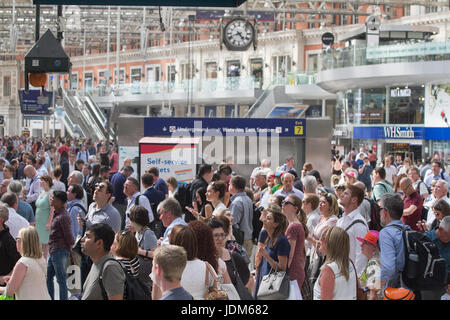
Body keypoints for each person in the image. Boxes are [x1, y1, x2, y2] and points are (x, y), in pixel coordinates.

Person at [0, 226, 51, 300]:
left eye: (17, 239)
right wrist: (14, 279)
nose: (16, 241)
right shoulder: (40, 259)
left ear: (23, 242)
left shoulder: (22, 263)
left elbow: (9, 292)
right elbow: (30, 281)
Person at [207, 218, 254, 298]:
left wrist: (237, 294)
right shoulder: (204, 260)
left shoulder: (235, 257)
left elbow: (249, 279)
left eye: (222, 235)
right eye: (216, 235)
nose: (220, 239)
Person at [80, 223, 125, 300]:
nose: (82, 239)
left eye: (87, 237)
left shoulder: (110, 267)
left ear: (99, 243)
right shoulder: (96, 263)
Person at [254, 204, 290, 299]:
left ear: (276, 224)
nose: (265, 220)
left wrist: (266, 256)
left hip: (273, 287)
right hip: (264, 280)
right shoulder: (269, 238)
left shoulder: (282, 241)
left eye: (269, 219)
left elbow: (282, 268)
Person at [313, 226, 359, 300]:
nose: (320, 240)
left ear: (332, 243)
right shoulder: (350, 263)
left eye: (324, 238)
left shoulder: (328, 270)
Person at [47, 190, 74, 300]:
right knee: (49, 277)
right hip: (54, 250)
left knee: (61, 279)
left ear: (59, 201)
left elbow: (69, 236)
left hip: (60, 251)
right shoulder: (57, 214)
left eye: (53, 198)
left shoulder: (62, 216)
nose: (51, 200)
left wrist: (71, 247)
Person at [337, 185, 369, 276]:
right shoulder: (340, 220)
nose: (341, 195)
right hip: (339, 273)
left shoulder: (359, 223)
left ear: (354, 199)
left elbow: (362, 254)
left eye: (346, 193)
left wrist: (356, 279)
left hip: (350, 276)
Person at [378, 193, 408, 290]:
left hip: (395, 291)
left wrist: (376, 286)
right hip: (410, 290)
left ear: (385, 212)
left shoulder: (386, 233)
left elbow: (388, 268)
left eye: (380, 209)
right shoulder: (407, 229)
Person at [281, 194, 307, 298]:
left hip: (292, 272)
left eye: (286, 203)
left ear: (295, 208)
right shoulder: (294, 225)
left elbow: (289, 255)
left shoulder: (294, 227)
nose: (283, 204)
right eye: (283, 202)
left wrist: (282, 272)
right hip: (296, 270)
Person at [421, 216, 450, 300]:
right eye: (449, 236)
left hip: (444, 286)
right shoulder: (424, 240)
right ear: (440, 230)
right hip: (427, 288)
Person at [229, 175, 254, 255]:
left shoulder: (237, 202)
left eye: (229, 184)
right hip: (248, 238)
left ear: (232, 186)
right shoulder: (248, 199)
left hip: (240, 240)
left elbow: (233, 223)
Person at [357, 230, 381, 300]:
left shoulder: (373, 263)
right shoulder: (376, 261)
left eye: (365, 243)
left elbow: (373, 293)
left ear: (374, 246)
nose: (361, 245)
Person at [35, 175, 54, 260]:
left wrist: (49, 222)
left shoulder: (50, 193)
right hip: (39, 221)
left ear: (47, 182)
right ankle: (40, 260)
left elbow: (52, 209)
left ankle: (45, 262)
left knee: (45, 244)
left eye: (42, 180)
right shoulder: (41, 192)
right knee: (39, 242)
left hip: (45, 221)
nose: (40, 182)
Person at [0, 204, 21, 280]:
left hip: (3, 287)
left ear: (1, 219)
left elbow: (19, 262)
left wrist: (7, 277)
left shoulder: (8, 240)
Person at [110, 166, 135, 230]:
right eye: (130, 173)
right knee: (120, 221)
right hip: (120, 203)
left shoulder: (114, 175)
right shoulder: (123, 178)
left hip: (114, 201)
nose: (130, 175)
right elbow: (124, 192)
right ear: (127, 171)